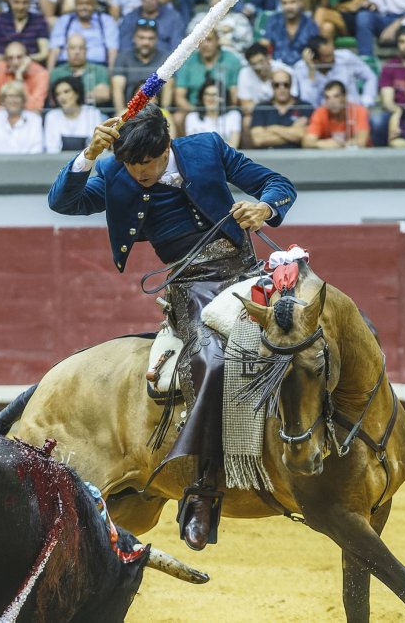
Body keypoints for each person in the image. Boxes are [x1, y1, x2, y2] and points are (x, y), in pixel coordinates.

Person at [46, 102, 296, 551]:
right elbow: (64, 201)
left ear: (166, 147)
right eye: (130, 165)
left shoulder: (205, 147)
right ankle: (202, 490)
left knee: (314, 328)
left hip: (245, 270)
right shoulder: (114, 170)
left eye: (147, 164)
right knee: (211, 362)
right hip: (191, 285)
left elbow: (278, 184)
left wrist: (263, 208)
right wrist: (88, 155)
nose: (139, 173)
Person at [293, 35, 377, 108]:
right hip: (321, 117)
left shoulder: (346, 57)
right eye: (327, 56)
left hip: (351, 112)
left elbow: (370, 76)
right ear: (315, 60)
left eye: (332, 53)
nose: (333, 58)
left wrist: (366, 100)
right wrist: (311, 72)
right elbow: (309, 103)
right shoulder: (301, 68)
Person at [47, 0, 118, 70]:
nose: (84, 7)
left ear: (95, 4)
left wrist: (110, 76)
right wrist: (50, 77)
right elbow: (54, 51)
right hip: (66, 66)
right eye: (80, 4)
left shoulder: (106, 21)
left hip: (97, 67)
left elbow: (112, 51)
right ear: (75, 4)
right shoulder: (64, 21)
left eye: (88, 4)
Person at [174, 30, 240, 117]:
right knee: (178, 117)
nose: (205, 45)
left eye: (209, 40)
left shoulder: (231, 60)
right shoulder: (188, 62)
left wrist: (224, 114)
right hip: (194, 111)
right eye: (201, 41)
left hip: (224, 111)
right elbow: (179, 97)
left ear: (217, 41)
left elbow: (234, 97)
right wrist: (197, 114)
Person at [116, 0, 183, 53]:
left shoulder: (173, 18)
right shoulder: (130, 18)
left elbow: (177, 51)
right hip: (135, 64)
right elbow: (124, 49)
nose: (148, 0)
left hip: (165, 63)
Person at [0, 79, 45, 153]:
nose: (13, 100)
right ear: (3, 100)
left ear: (23, 100)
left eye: (17, 96)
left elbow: (37, 148)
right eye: (9, 96)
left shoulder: (35, 120)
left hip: (28, 163)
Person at [113, 21, 171, 107]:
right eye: (141, 38)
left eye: (150, 38)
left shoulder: (165, 58)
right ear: (134, 38)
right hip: (128, 110)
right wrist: (120, 115)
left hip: (158, 110)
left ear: (156, 39)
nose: (146, 43)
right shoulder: (123, 57)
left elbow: (168, 87)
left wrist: (165, 113)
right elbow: (117, 89)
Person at [0, 40, 48, 113]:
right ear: (5, 60)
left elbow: (34, 108)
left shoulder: (41, 73)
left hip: (29, 117)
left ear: (28, 58)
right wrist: (12, 110)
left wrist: (19, 78)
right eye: (10, 58)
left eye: (19, 57)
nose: (15, 62)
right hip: (2, 115)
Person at [247, 68, 308, 149]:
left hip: (299, 157)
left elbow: (303, 136)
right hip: (267, 157)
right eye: (277, 85)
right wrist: (292, 133)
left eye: (286, 84)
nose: (281, 88)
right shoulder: (261, 108)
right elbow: (258, 139)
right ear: (272, 86)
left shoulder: (305, 107)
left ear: (291, 85)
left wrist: (272, 128)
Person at [46, 32, 112, 106]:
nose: (77, 52)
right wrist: (90, 94)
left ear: (86, 50)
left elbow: (104, 95)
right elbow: (53, 101)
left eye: (81, 48)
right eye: (72, 48)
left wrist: (71, 97)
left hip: (94, 114)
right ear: (67, 51)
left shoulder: (100, 70)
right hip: (63, 115)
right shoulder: (56, 73)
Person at [262, 0, 320, 67]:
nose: (288, 7)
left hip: (303, 68)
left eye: (292, 2)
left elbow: (316, 49)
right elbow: (265, 43)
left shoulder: (310, 24)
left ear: (300, 2)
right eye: (284, 3)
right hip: (277, 69)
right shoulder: (273, 21)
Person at [43, 76, 104, 153]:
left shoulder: (92, 113)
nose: (61, 97)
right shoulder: (52, 116)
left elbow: (97, 145)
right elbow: (51, 148)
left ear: (77, 93)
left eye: (66, 91)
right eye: (58, 94)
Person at [303, 79, 370, 148]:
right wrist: (323, 143)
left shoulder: (358, 111)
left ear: (344, 97)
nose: (332, 101)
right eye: (327, 98)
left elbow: (362, 141)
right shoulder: (320, 112)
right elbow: (307, 142)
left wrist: (340, 145)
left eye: (336, 96)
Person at [184, 79, 241, 146]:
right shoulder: (192, 117)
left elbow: (233, 146)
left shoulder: (233, 115)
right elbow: (192, 146)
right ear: (202, 97)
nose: (210, 98)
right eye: (207, 94)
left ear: (222, 98)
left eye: (214, 95)